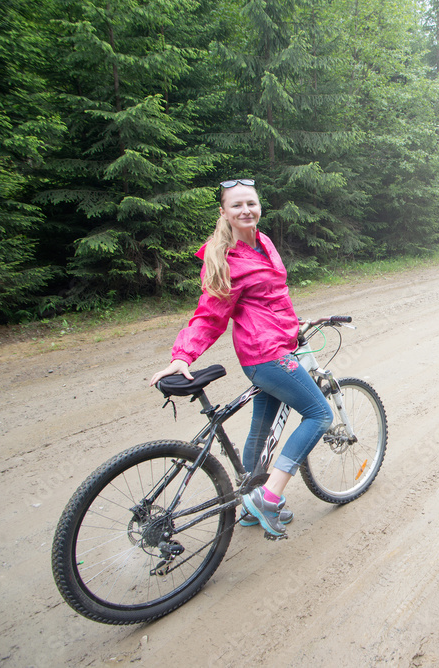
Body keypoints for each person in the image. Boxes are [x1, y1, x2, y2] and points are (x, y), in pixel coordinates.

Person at [149, 179, 333, 538]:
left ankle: (249, 501)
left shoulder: (262, 242)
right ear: (224, 213)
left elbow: (270, 299)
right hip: (266, 356)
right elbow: (210, 315)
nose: (246, 210)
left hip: (275, 346)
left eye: (251, 203)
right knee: (319, 414)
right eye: (237, 206)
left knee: (261, 429)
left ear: (259, 206)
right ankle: (268, 496)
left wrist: (294, 323)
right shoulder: (226, 259)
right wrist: (183, 354)